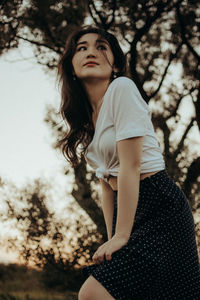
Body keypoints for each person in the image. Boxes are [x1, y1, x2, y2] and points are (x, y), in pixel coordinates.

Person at [57, 25, 200, 300]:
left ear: (115, 65)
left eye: (101, 47)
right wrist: (113, 237)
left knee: (92, 292)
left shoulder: (122, 88)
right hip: (129, 206)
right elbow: (107, 183)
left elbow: (130, 167)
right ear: (72, 68)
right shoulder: (88, 120)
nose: (92, 52)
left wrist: (121, 236)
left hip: (159, 206)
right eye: (82, 48)